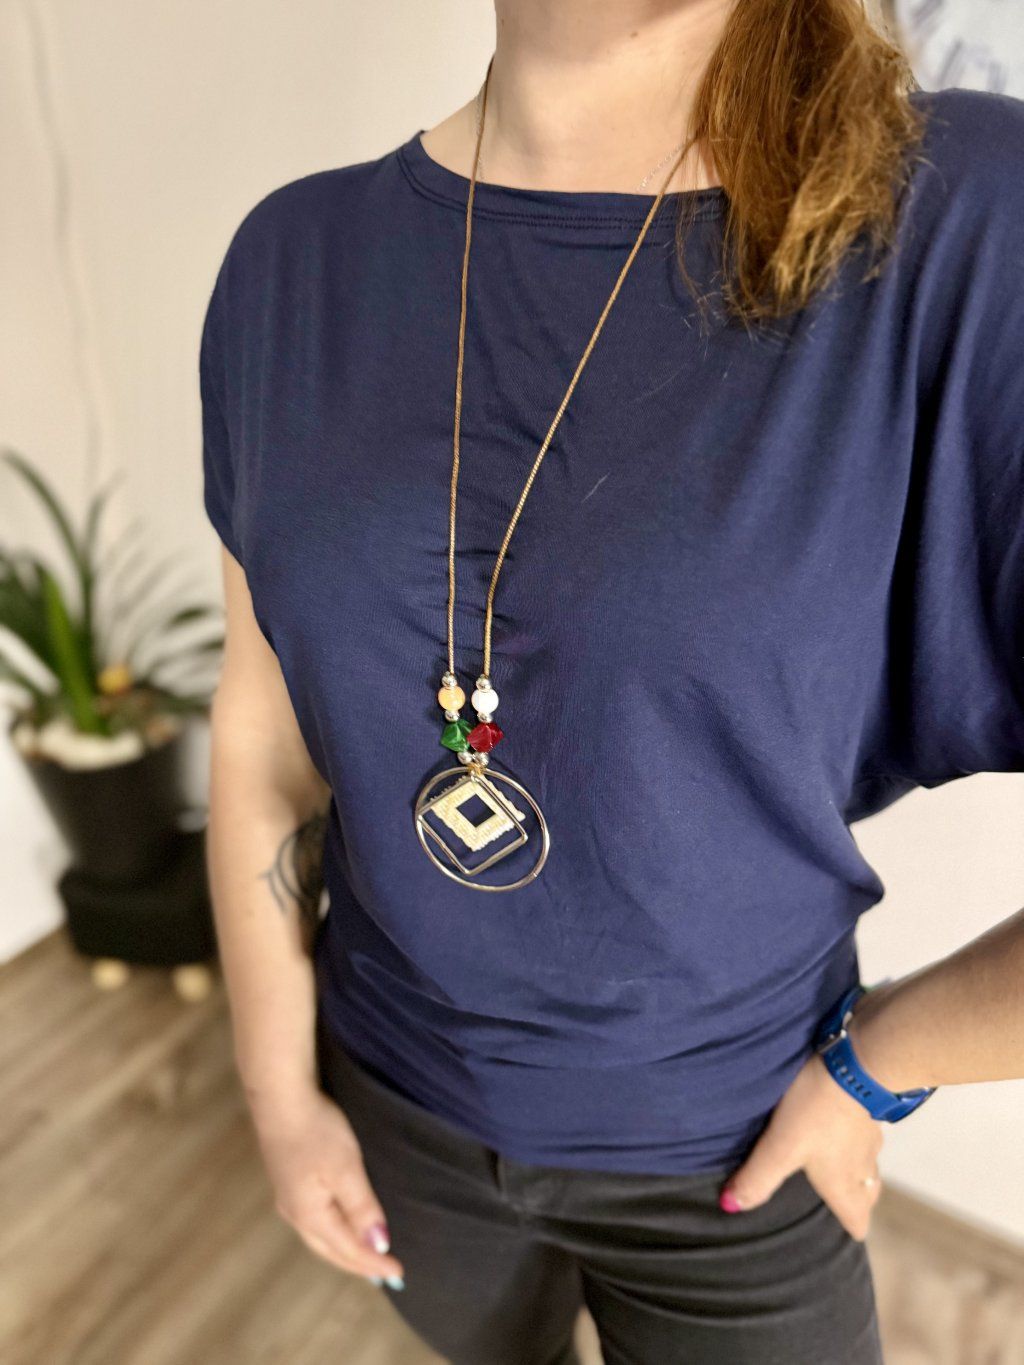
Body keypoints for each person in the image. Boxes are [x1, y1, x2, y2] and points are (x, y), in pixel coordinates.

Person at [199, 2, 1024, 1361]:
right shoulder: (290, 264)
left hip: (740, 1147)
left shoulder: (953, 219)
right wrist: (278, 1093)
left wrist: (886, 1061)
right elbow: (261, 734)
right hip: (397, 1101)